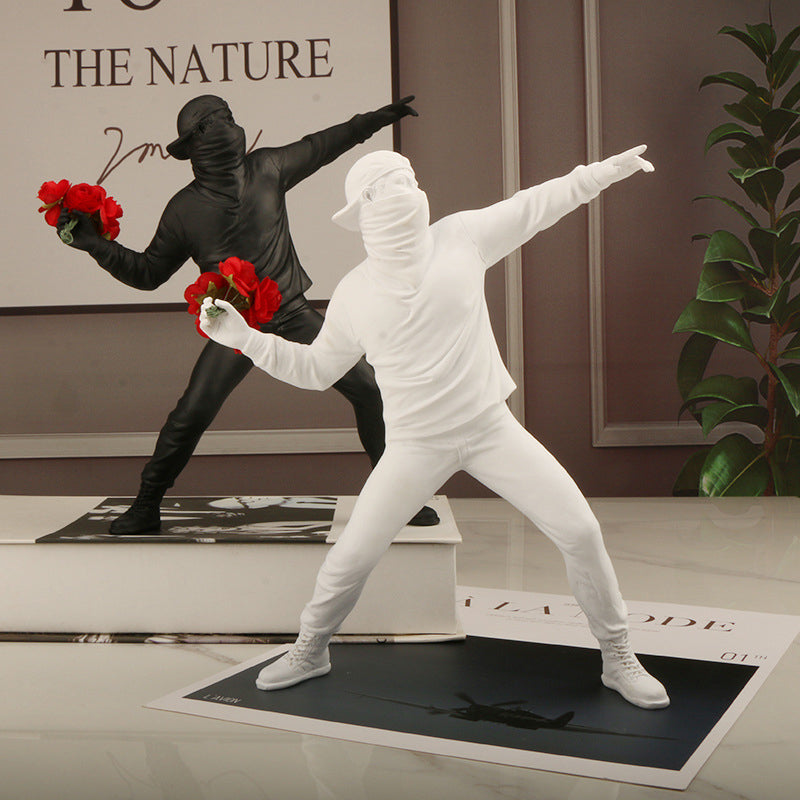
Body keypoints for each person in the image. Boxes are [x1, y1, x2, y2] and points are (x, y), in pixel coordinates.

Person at [198, 147, 670, 709]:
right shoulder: (355, 292)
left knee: (582, 532)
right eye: (385, 184)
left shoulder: (462, 236)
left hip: (490, 428)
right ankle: (310, 648)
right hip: (414, 446)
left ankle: (618, 654)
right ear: (362, 208)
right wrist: (246, 340)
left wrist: (598, 174)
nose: (402, 189)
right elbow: (316, 369)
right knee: (351, 556)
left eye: (407, 178)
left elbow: (536, 206)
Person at [57, 94, 439, 534]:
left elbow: (324, 144)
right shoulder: (187, 208)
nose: (224, 126)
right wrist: (97, 245)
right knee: (192, 413)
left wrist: (376, 118)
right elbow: (148, 273)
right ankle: (146, 505)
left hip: (292, 312)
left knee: (370, 388)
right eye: (210, 123)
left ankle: (397, 497)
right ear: (191, 145)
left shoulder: (267, 168)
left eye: (227, 117)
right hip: (236, 326)